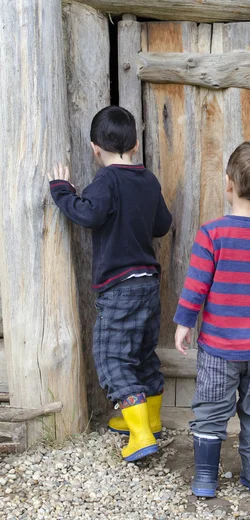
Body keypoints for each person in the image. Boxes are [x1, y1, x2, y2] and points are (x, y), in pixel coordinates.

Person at [48, 105, 172, 462]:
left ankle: (141, 435)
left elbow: (88, 214)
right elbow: (162, 224)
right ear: (135, 144)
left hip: (119, 287)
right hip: (148, 283)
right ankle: (150, 418)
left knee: (112, 358)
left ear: (94, 148)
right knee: (144, 355)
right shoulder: (148, 179)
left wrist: (62, 192)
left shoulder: (106, 181)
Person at [174, 141, 250, 497]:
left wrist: (184, 323)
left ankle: (206, 480)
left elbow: (196, 286)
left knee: (211, 412)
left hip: (218, 349)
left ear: (228, 183)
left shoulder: (212, 234)